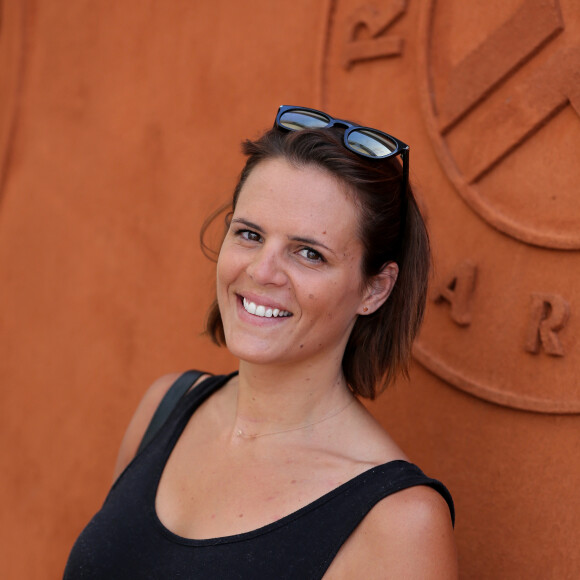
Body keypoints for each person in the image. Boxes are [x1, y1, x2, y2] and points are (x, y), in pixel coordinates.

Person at [64, 106, 457, 578]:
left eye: (309, 253)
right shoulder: (165, 407)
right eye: (249, 234)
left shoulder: (398, 522)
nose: (261, 271)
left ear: (375, 289)